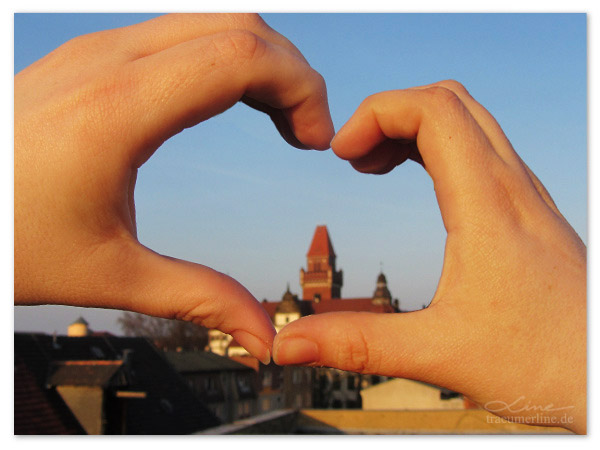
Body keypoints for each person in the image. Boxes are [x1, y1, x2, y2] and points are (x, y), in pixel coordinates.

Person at [14, 14, 586, 434]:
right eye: (319, 266)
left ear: (326, 272)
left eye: (322, 266)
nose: (320, 271)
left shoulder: (332, 301)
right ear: (319, 271)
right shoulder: (315, 299)